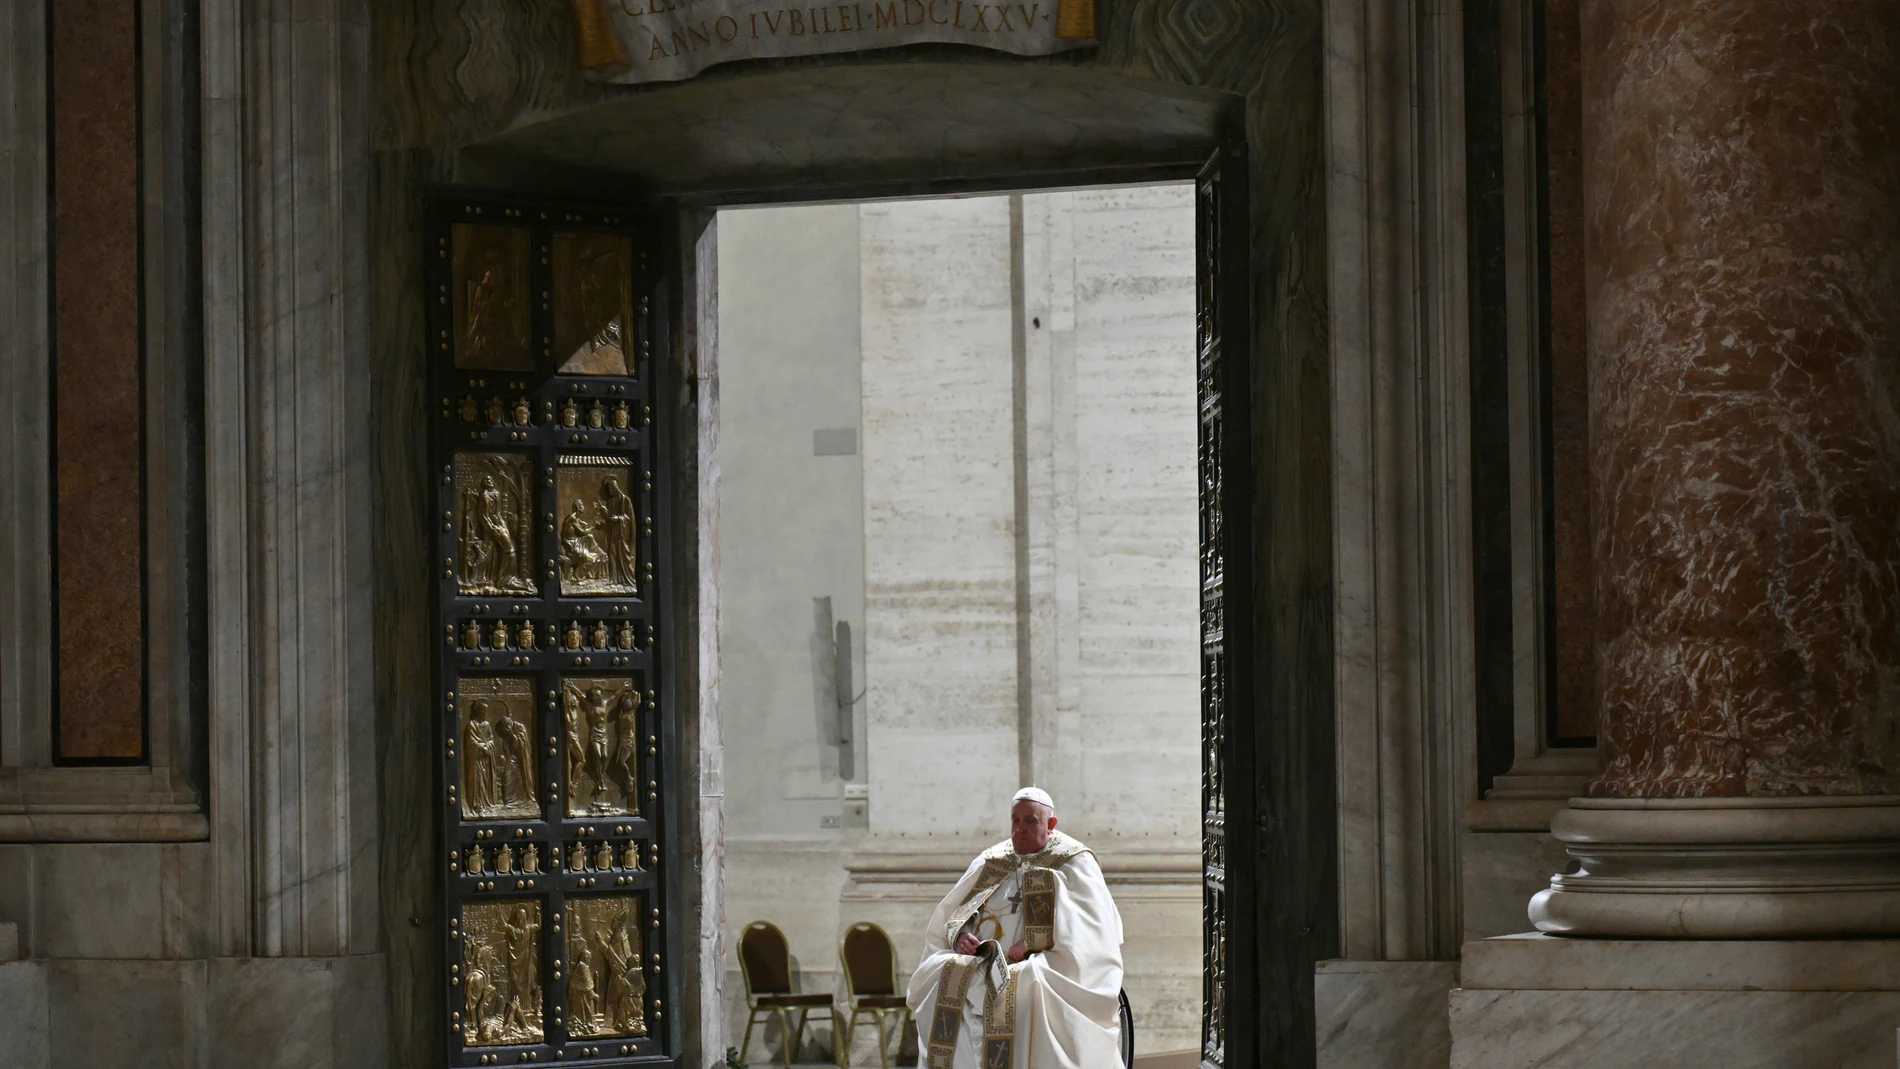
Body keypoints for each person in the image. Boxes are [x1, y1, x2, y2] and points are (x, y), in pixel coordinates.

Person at [906, 789, 1124, 1069]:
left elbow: (1093, 928)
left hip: (1044, 961)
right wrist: (960, 936)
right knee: (941, 972)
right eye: (1015, 821)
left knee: (1029, 982)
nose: (1020, 829)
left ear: (1051, 824)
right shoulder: (993, 859)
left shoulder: (1073, 861)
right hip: (981, 962)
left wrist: (1037, 942)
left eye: (1030, 821)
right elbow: (955, 913)